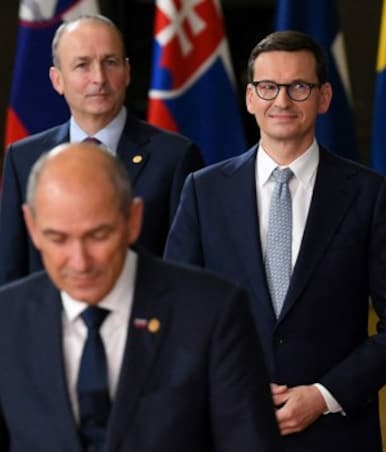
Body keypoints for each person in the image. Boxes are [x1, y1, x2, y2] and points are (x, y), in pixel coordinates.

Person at [164, 30, 386, 451]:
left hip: (336, 434)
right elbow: (176, 311)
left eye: (298, 87)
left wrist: (324, 396)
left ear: (323, 97)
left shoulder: (369, 195)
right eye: (268, 87)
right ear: (250, 98)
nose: (282, 102)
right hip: (229, 429)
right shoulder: (204, 191)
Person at [0, 143, 281, 452]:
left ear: (133, 219)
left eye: (98, 235)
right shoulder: (7, 320)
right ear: (31, 226)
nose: (79, 262)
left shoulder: (212, 313)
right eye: (58, 239)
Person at [0, 14, 203, 285]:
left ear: (127, 72)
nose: (99, 78)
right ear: (57, 79)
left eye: (110, 62)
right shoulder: (22, 159)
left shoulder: (176, 157)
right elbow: (10, 275)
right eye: (82, 65)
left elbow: (185, 273)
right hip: (49, 325)